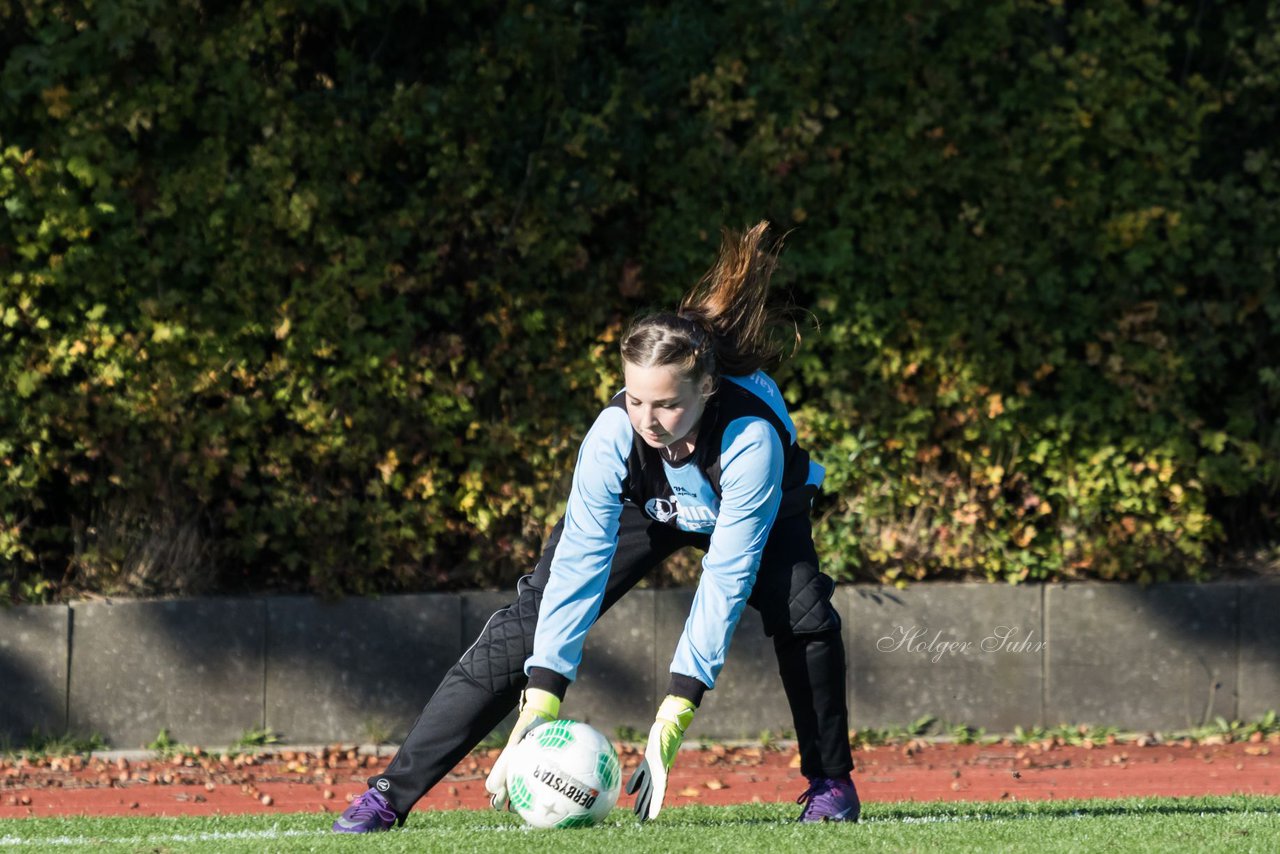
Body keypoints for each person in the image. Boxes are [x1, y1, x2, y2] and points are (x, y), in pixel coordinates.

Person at [332, 221, 859, 832]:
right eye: (636, 400)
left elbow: (725, 580)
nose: (649, 421)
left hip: (754, 509)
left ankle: (831, 785)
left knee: (806, 616)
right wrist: (542, 696)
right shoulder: (615, 436)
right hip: (652, 504)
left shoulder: (750, 441)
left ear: (708, 389)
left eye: (667, 404)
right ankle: (388, 796)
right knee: (527, 623)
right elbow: (578, 568)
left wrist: (673, 715)